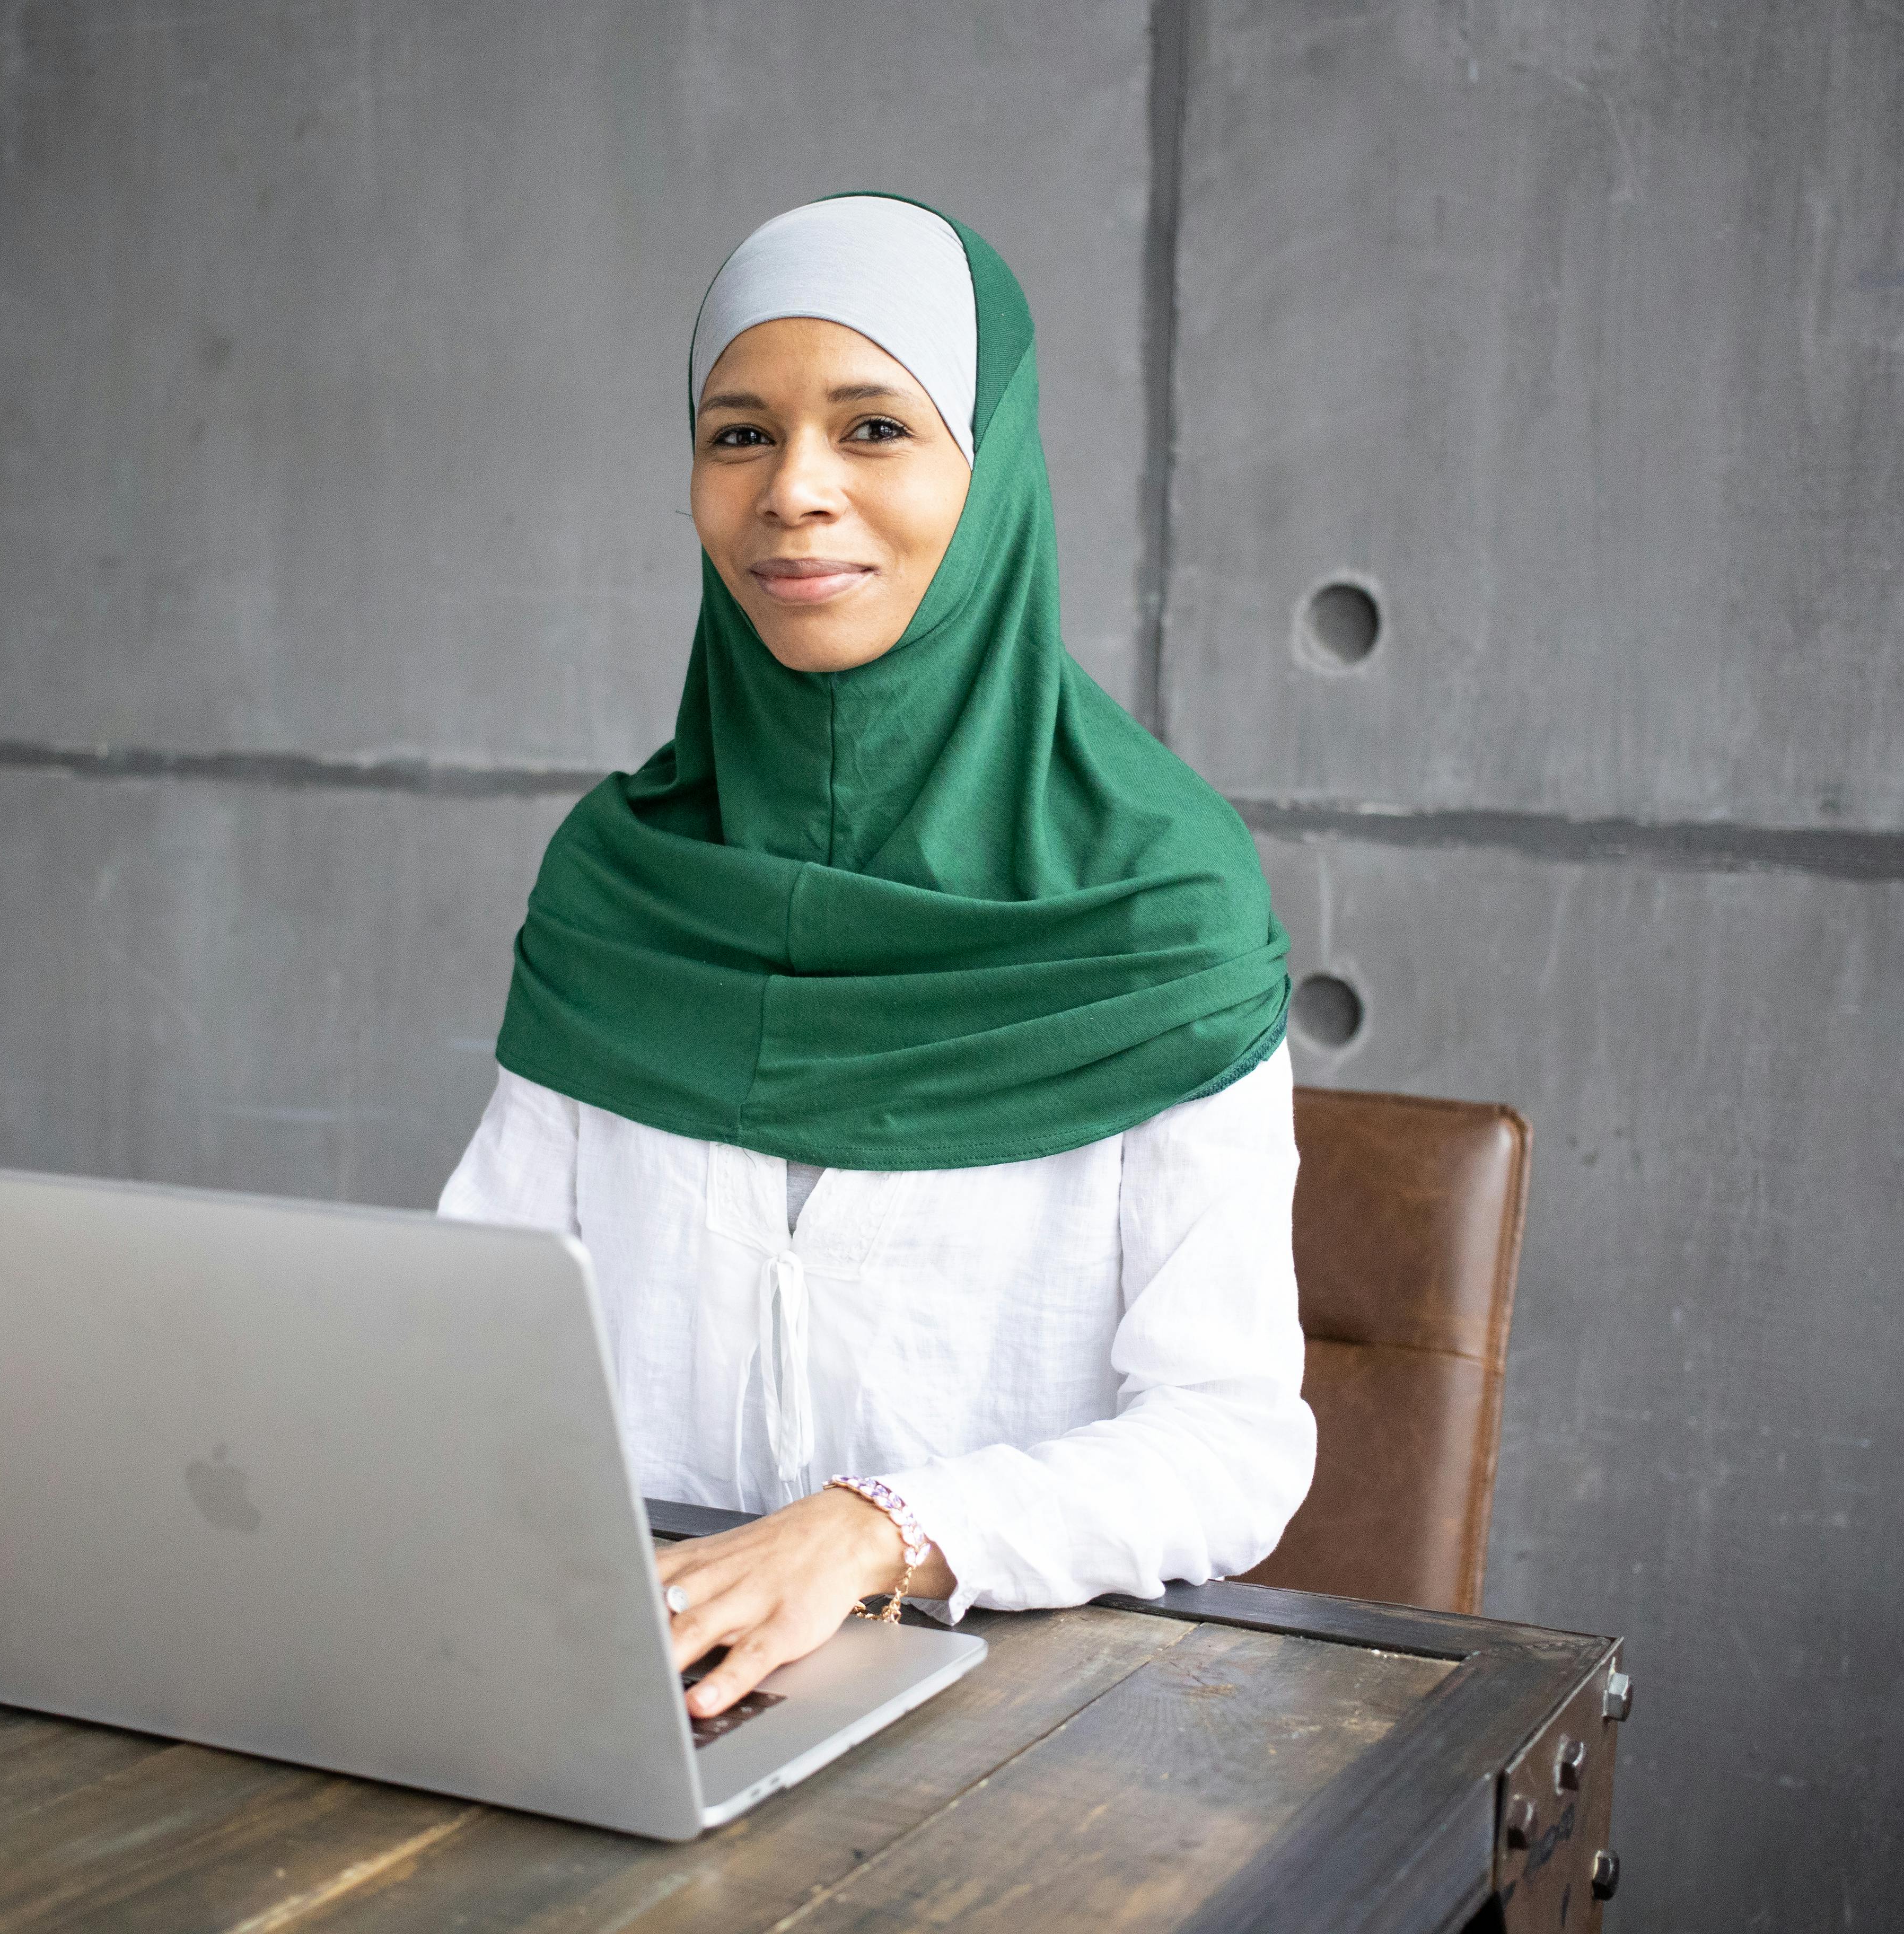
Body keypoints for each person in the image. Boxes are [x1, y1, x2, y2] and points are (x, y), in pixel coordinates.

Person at [439, 195, 1310, 1725]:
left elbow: (1231, 1446)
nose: (797, 495)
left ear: (993, 472)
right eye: (739, 436)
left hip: (1022, 1728)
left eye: (874, 429)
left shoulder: (1159, 902)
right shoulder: (621, 875)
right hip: (621, 1692)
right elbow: (467, 1334)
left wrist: (881, 1532)